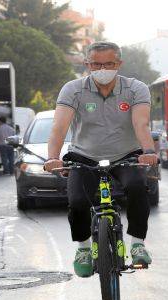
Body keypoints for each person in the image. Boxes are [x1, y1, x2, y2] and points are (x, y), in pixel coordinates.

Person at [44, 41, 159, 278]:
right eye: (96, 64)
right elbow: (59, 126)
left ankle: (137, 243)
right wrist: (52, 157)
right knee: (77, 201)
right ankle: (83, 249)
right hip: (84, 155)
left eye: (109, 64)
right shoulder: (73, 89)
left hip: (125, 154)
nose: (102, 68)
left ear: (119, 64)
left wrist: (148, 151)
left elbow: (141, 123)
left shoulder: (136, 88)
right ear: (87, 64)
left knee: (138, 187)